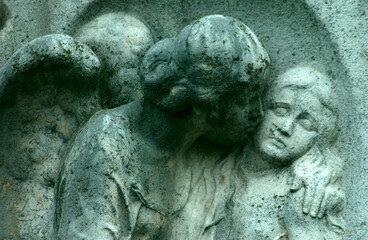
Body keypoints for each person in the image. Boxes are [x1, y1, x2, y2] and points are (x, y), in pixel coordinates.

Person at [56, 15, 270, 240]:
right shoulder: (107, 145)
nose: (259, 112)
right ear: (205, 102)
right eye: (244, 101)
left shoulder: (206, 153)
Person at [226, 65, 345, 239]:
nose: (285, 128)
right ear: (261, 109)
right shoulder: (215, 167)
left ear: (317, 140)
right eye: (280, 110)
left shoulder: (304, 196)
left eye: (305, 123)